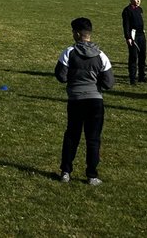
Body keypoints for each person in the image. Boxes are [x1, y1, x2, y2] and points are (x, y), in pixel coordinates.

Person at [55, 17, 113, 185]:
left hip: (75, 100)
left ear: (78, 34)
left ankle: (65, 171)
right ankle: (92, 175)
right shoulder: (101, 55)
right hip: (95, 101)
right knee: (93, 139)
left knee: (72, 136)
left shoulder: (69, 52)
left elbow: (61, 76)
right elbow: (109, 83)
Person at [121, 0, 147, 85]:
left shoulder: (139, 9)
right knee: (133, 57)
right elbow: (126, 25)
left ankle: (141, 76)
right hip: (133, 36)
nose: (138, 1)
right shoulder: (127, 10)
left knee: (142, 56)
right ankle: (132, 78)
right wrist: (128, 37)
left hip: (141, 35)